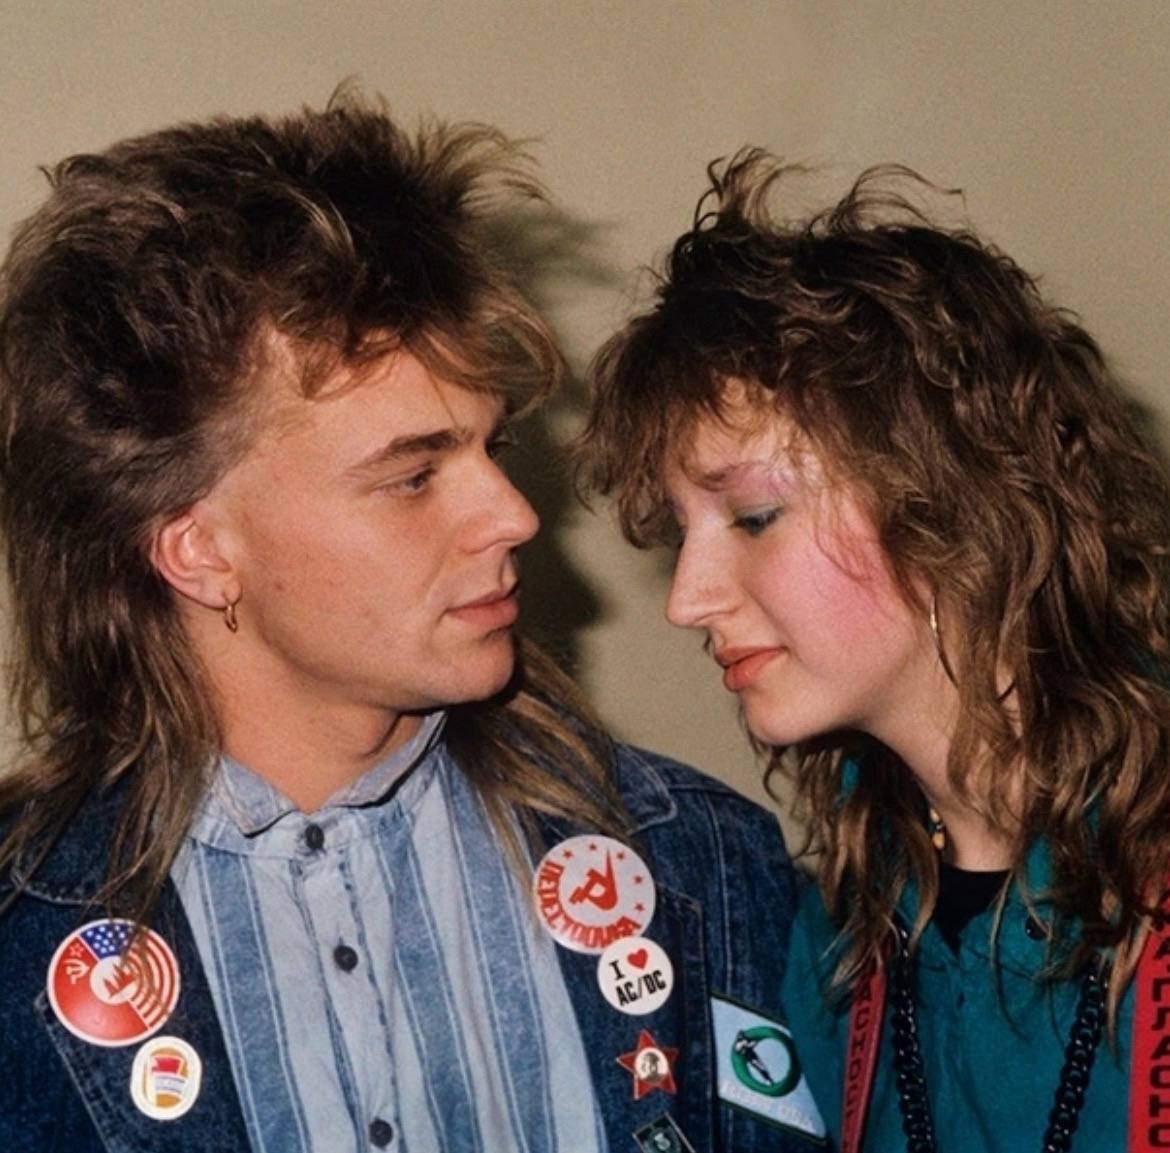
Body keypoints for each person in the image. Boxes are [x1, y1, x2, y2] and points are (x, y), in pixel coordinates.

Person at [0, 99, 813, 1153]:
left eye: (494, 447)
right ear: (195, 549)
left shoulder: (705, 866)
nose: (514, 515)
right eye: (415, 474)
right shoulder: (21, 942)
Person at [579, 152, 1170, 1152]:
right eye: (683, 531)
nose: (687, 598)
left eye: (755, 514)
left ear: (958, 504)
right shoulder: (841, 937)